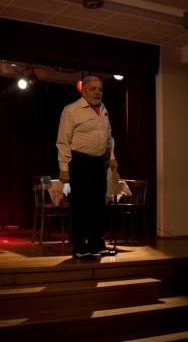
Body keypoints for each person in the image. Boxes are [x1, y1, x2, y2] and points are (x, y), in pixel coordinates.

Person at [56, 75, 118, 259]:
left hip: (99, 163)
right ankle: (79, 247)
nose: (98, 92)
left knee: (98, 205)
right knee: (81, 205)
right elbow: (63, 141)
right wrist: (64, 168)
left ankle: (97, 244)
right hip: (80, 162)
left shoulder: (104, 109)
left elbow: (108, 137)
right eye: (93, 89)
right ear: (83, 91)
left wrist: (112, 157)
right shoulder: (71, 110)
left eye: (100, 89)